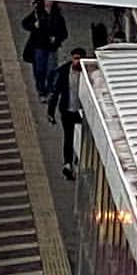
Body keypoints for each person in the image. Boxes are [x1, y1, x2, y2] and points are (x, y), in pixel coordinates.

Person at [47, 47, 87, 179]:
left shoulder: (88, 73)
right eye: (76, 58)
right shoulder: (64, 72)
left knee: (83, 138)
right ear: (72, 58)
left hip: (83, 113)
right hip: (67, 110)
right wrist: (51, 112)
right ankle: (68, 163)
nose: (77, 61)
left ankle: (77, 160)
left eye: (80, 59)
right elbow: (56, 92)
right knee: (69, 137)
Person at [20, 0, 66, 98]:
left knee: (51, 70)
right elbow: (25, 23)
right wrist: (34, 25)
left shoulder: (57, 15)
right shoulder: (37, 13)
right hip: (39, 46)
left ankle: (50, 89)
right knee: (39, 70)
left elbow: (64, 33)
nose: (48, 2)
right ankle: (41, 90)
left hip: (51, 47)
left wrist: (56, 38)